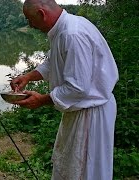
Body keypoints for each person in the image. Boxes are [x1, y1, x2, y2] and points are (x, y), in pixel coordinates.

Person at [10, 0, 119, 179]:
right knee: (71, 167)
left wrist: (42, 100)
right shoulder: (63, 30)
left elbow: (77, 87)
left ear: (42, 13)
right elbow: (53, 62)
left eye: (30, 19)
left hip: (91, 114)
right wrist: (28, 76)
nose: (30, 24)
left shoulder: (72, 34)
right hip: (80, 110)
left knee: (86, 171)